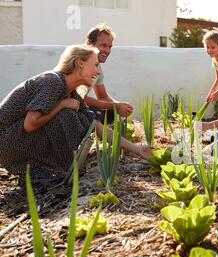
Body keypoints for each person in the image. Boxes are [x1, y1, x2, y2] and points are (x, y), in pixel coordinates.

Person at [0, 45, 152, 187]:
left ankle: (54, 170)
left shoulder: (70, 92)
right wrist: (61, 105)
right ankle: (63, 171)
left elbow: (96, 126)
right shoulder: (53, 82)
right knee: (67, 115)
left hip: (14, 140)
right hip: (6, 139)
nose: (98, 72)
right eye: (95, 65)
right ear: (80, 63)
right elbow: (30, 124)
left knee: (83, 118)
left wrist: (138, 150)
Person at [84, 23, 133, 124]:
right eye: (103, 45)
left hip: (77, 106)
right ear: (90, 43)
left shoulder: (97, 66)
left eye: (110, 47)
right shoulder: (81, 62)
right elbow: (78, 98)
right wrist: (117, 106)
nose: (107, 50)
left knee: (110, 112)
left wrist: (121, 106)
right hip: (67, 109)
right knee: (96, 113)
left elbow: (103, 96)